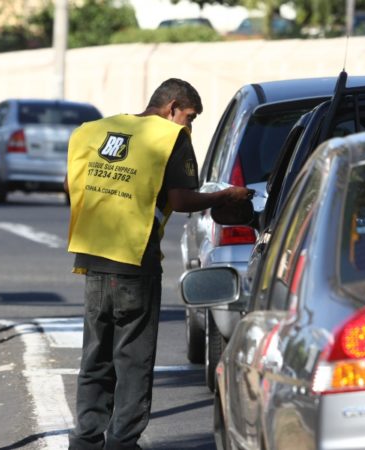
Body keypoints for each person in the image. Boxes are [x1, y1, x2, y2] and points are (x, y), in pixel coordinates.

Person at [64, 78, 253, 450]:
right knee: (132, 360)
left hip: (92, 257)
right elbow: (181, 201)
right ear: (172, 108)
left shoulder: (95, 131)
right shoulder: (170, 137)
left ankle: (86, 441)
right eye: (189, 117)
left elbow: (72, 187)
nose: (190, 126)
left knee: (96, 356)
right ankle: (121, 443)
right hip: (135, 262)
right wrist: (225, 195)